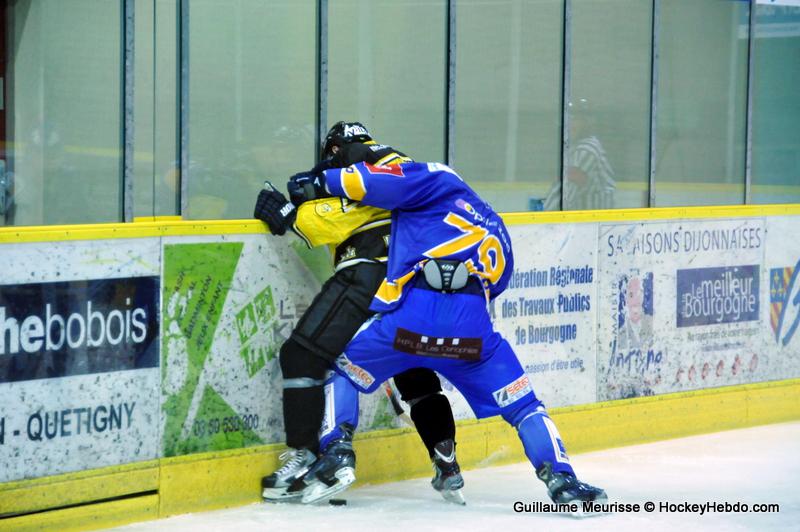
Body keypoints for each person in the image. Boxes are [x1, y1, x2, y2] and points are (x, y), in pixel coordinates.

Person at [282, 150, 607, 506]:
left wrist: (318, 183)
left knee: (340, 366)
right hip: (473, 329)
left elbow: (370, 181)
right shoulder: (493, 223)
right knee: (525, 405)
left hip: (413, 319)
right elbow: (497, 284)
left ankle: (337, 450)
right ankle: (562, 480)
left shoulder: (439, 179)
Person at [253, 122, 464, 503]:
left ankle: (316, 457)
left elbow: (333, 218)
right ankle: (446, 459)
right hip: (415, 280)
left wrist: (290, 215)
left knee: (307, 355)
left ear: (336, 148)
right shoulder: (404, 170)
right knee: (410, 365)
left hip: (367, 271)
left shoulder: (357, 169)